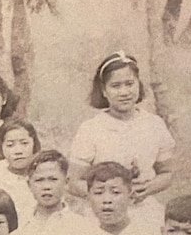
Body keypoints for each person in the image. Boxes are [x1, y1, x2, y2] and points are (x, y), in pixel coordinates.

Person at [68, 51, 175, 225]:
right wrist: (106, 196)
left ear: (138, 85)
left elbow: (167, 174)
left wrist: (148, 188)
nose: (124, 92)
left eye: (129, 84)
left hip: (143, 212)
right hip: (103, 215)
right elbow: (73, 182)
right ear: (104, 91)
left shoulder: (154, 124)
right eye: (116, 86)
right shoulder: (91, 129)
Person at [0, 119, 41, 230]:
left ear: (34, 144)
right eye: (10, 145)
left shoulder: (44, 178)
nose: (18, 151)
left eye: (24, 143)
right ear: (1, 148)